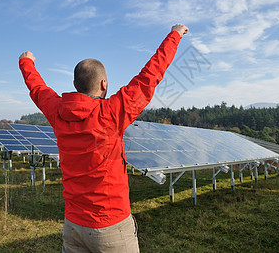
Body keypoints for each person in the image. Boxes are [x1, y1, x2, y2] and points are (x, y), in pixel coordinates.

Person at [19, 24, 189, 252]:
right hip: (111, 226)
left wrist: (26, 62)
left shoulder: (58, 112)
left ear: (74, 85)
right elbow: (150, 76)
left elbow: (38, 89)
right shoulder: (112, 112)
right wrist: (175, 35)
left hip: (73, 225)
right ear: (103, 84)